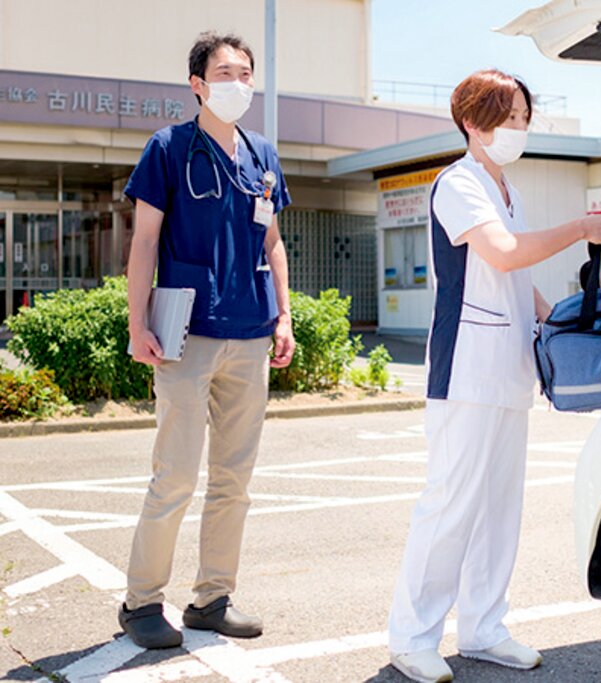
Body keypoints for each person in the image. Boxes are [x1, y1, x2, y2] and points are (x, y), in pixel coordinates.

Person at [387, 70, 601, 683]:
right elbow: (505, 251)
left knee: (498, 509)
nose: (516, 129)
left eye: (521, 118)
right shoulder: (459, 183)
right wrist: (581, 229)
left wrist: (553, 317)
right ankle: (412, 636)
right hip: (464, 370)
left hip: (508, 368)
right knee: (450, 504)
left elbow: (513, 274)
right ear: (471, 123)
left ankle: (484, 628)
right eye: (504, 118)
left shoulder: (502, 186)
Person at [118, 31, 293, 650]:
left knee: (234, 481)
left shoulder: (263, 154)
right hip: (184, 335)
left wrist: (284, 317)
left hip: (250, 334)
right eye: (225, 72)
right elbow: (143, 243)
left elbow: (271, 243)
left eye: (246, 73)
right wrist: (137, 324)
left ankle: (212, 598)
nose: (238, 83)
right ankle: (141, 602)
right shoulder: (167, 149)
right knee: (175, 477)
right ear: (197, 83)